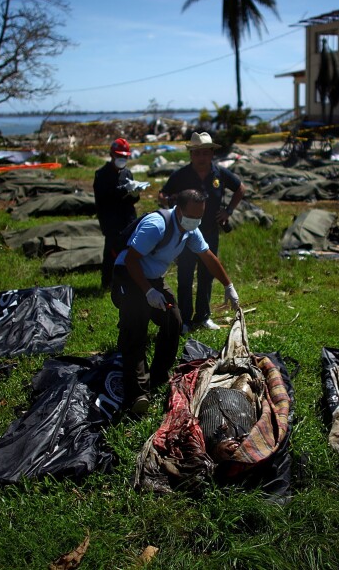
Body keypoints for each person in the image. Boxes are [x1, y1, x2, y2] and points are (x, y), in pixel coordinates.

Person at [111, 188, 241, 415]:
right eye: (192, 216)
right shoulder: (156, 225)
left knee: (174, 319)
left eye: (200, 216)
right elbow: (131, 260)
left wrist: (228, 286)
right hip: (130, 276)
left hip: (153, 278)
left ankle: (160, 375)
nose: (196, 221)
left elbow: (208, 258)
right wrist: (148, 292)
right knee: (136, 328)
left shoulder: (191, 230)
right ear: (179, 211)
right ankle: (137, 394)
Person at [159, 132, 245, 332]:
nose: (201, 157)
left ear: (212, 153)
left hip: (210, 231)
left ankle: (203, 317)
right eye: (197, 153)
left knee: (207, 275)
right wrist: (170, 207)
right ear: (191, 154)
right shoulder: (181, 174)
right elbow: (163, 194)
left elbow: (241, 188)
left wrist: (228, 211)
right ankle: (185, 319)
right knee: (185, 276)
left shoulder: (220, 173)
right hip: (186, 234)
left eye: (205, 153)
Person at [93, 138, 140, 290]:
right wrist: (124, 191)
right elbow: (103, 198)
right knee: (111, 251)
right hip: (111, 220)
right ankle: (107, 282)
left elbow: (132, 200)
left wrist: (135, 194)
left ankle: (126, 281)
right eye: (119, 156)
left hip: (128, 218)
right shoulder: (101, 175)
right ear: (111, 155)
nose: (122, 159)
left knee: (129, 250)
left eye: (125, 156)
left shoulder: (128, 173)